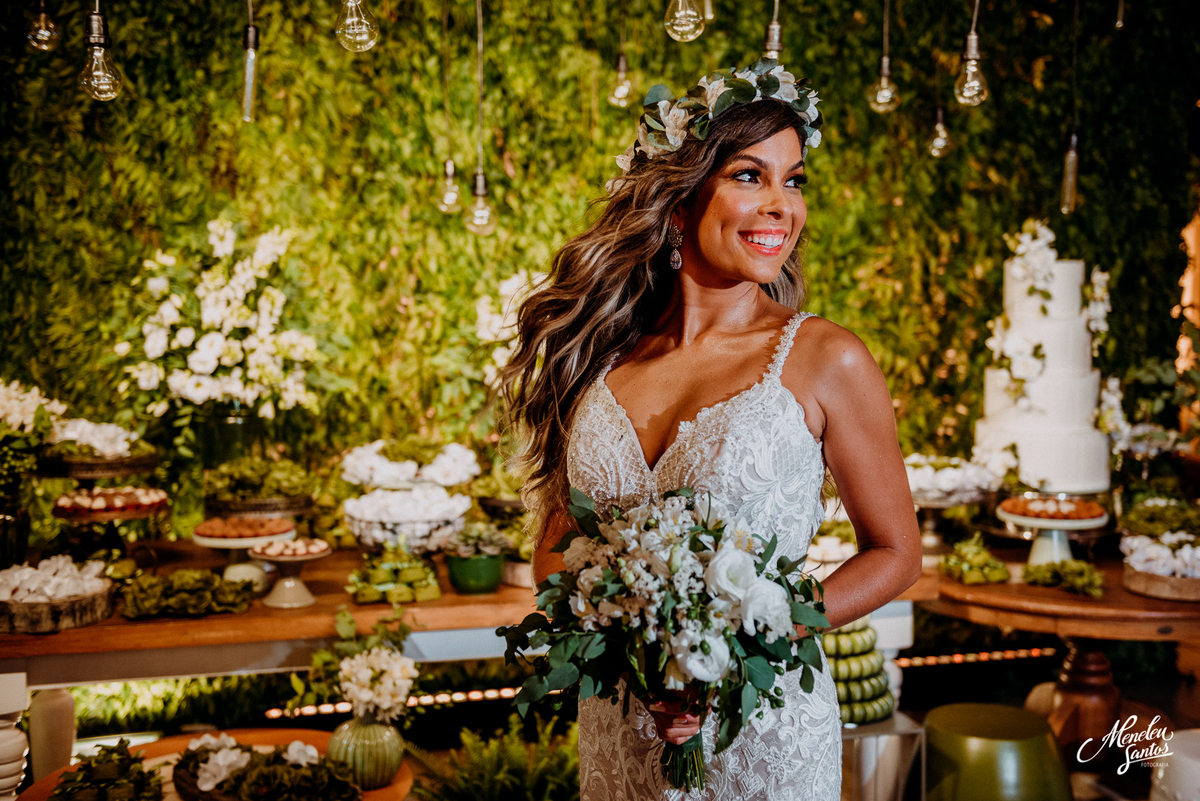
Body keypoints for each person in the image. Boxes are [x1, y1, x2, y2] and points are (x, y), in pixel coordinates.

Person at [500, 62, 921, 801]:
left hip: (763, 733)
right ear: (678, 200)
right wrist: (636, 655)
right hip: (625, 724)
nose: (781, 205)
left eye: (794, 181)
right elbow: (556, 549)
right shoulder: (601, 357)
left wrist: (749, 636)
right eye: (750, 176)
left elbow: (896, 553)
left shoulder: (827, 358)